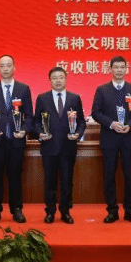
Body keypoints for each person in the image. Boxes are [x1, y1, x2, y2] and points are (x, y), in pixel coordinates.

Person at [91, 56, 131, 224]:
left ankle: (130, 211)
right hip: (110, 137)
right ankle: (112, 211)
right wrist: (111, 123)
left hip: (128, 138)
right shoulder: (102, 90)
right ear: (111, 69)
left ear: (126, 69)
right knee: (109, 175)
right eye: (116, 67)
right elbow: (96, 112)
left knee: (130, 175)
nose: (120, 70)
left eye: (122, 67)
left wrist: (130, 125)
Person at [0, 55, 34, 223]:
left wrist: (24, 130)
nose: (5, 68)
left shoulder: (23, 89)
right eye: (2, 66)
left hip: (16, 140)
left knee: (15, 176)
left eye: (8, 65)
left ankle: (17, 209)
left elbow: (29, 115)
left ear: (14, 68)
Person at [34, 67, 86, 224]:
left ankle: (65, 211)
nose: (58, 80)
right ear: (50, 80)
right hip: (49, 146)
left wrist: (78, 133)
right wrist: (40, 133)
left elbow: (81, 121)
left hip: (68, 146)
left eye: (61, 77)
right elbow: (36, 121)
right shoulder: (42, 98)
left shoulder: (74, 98)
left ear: (66, 79)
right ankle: (50, 212)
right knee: (49, 182)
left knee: (66, 181)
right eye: (55, 78)